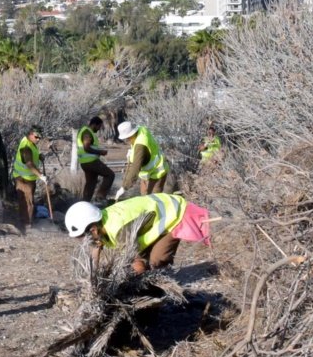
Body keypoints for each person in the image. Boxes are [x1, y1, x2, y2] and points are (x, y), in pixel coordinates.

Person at [65, 193, 210, 275]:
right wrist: (93, 276)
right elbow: (96, 249)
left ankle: (162, 289)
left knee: (155, 262)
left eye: (82, 238)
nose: (82, 242)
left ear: (93, 230)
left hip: (173, 214)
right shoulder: (100, 221)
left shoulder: (119, 230)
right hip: (151, 220)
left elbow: (137, 264)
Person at [116, 121, 167, 197]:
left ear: (131, 134)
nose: (126, 140)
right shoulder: (141, 130)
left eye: (127, 138)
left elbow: (135, 168)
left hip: (157, 172)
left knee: (154, 201)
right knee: (144, 198)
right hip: (147, 174)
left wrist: (124, 187)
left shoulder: (140, 145)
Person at [13, 125, 47, 231]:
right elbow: (29, 164)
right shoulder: (26, 147)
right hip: (23, 179)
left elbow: (32, 157)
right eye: (37, 137)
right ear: (31, 134)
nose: (38, 139)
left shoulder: (31, 143)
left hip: (29, 178)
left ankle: (26, 223)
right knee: (27, 203)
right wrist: (41, 175)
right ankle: (26, 226)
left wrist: (39, 156)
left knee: (28, 201)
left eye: (40, 138)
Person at [75, 116, 115, 203]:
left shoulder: (86, 131)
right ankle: (100, 197)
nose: (99, 129)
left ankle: (85, 203)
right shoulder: (87, 132)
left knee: (91, 183)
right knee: (110, 175)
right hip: (91, 162)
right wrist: (100, 152)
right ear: (94, 124)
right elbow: (86, 147)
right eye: (99, 126)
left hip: (84, 162)